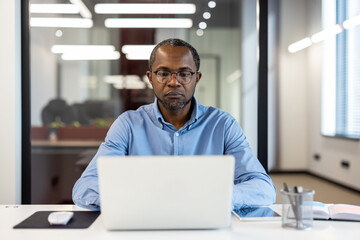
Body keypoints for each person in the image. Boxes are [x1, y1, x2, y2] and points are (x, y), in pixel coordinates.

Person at [72, 38, 276, 210]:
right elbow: (85, 187)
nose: (173, 82)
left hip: (206, 224)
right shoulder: (128, 125)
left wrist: (215, 197)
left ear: (197, 78)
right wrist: (137, 199)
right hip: (143, 223)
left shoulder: (222, 125)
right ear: (151, 78)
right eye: (163, 73)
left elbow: (263, 188)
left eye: (184, 73)